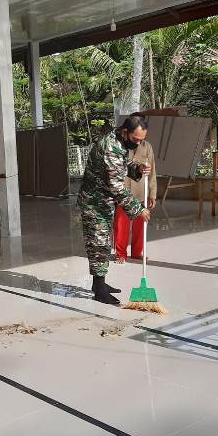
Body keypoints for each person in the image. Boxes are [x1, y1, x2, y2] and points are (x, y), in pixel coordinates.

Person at [77, 115, 151, 305]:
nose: (139, 143)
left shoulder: (118, 141)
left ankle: (98, 284)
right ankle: (100, 291)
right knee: (99, 245)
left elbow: (122, 165)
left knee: (102, 242)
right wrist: (138, 209)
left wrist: (137, 169)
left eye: (142, 140)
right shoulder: (111, 148)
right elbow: (116, 187)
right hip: (94, 202)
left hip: (103, 200)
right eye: (136, 140)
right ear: (125, 132)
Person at [113, 124, 157, 263]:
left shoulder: (147, 147)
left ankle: (137, 252)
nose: (138, 140)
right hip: (123, 191)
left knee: (140, 224)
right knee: (121, 224)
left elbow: (152, 172)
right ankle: (120, 254)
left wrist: (152, 193)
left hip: (141, 191)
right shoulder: (120, 146)